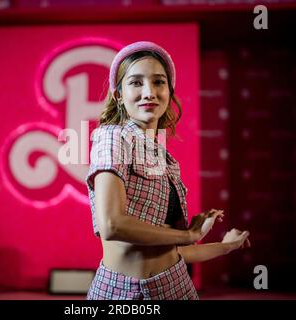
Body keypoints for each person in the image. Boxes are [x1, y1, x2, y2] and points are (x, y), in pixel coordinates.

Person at [85, 41, 251, 300]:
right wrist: (188, 234)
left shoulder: (165, 158)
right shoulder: (112, 137)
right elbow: (111, 225)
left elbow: (173, 252)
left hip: (176, 287)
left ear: (169, 91)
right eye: (136, 82)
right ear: (118, 95)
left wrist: (227, 246)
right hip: (123, 294)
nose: (149, 92)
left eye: (159, 82)